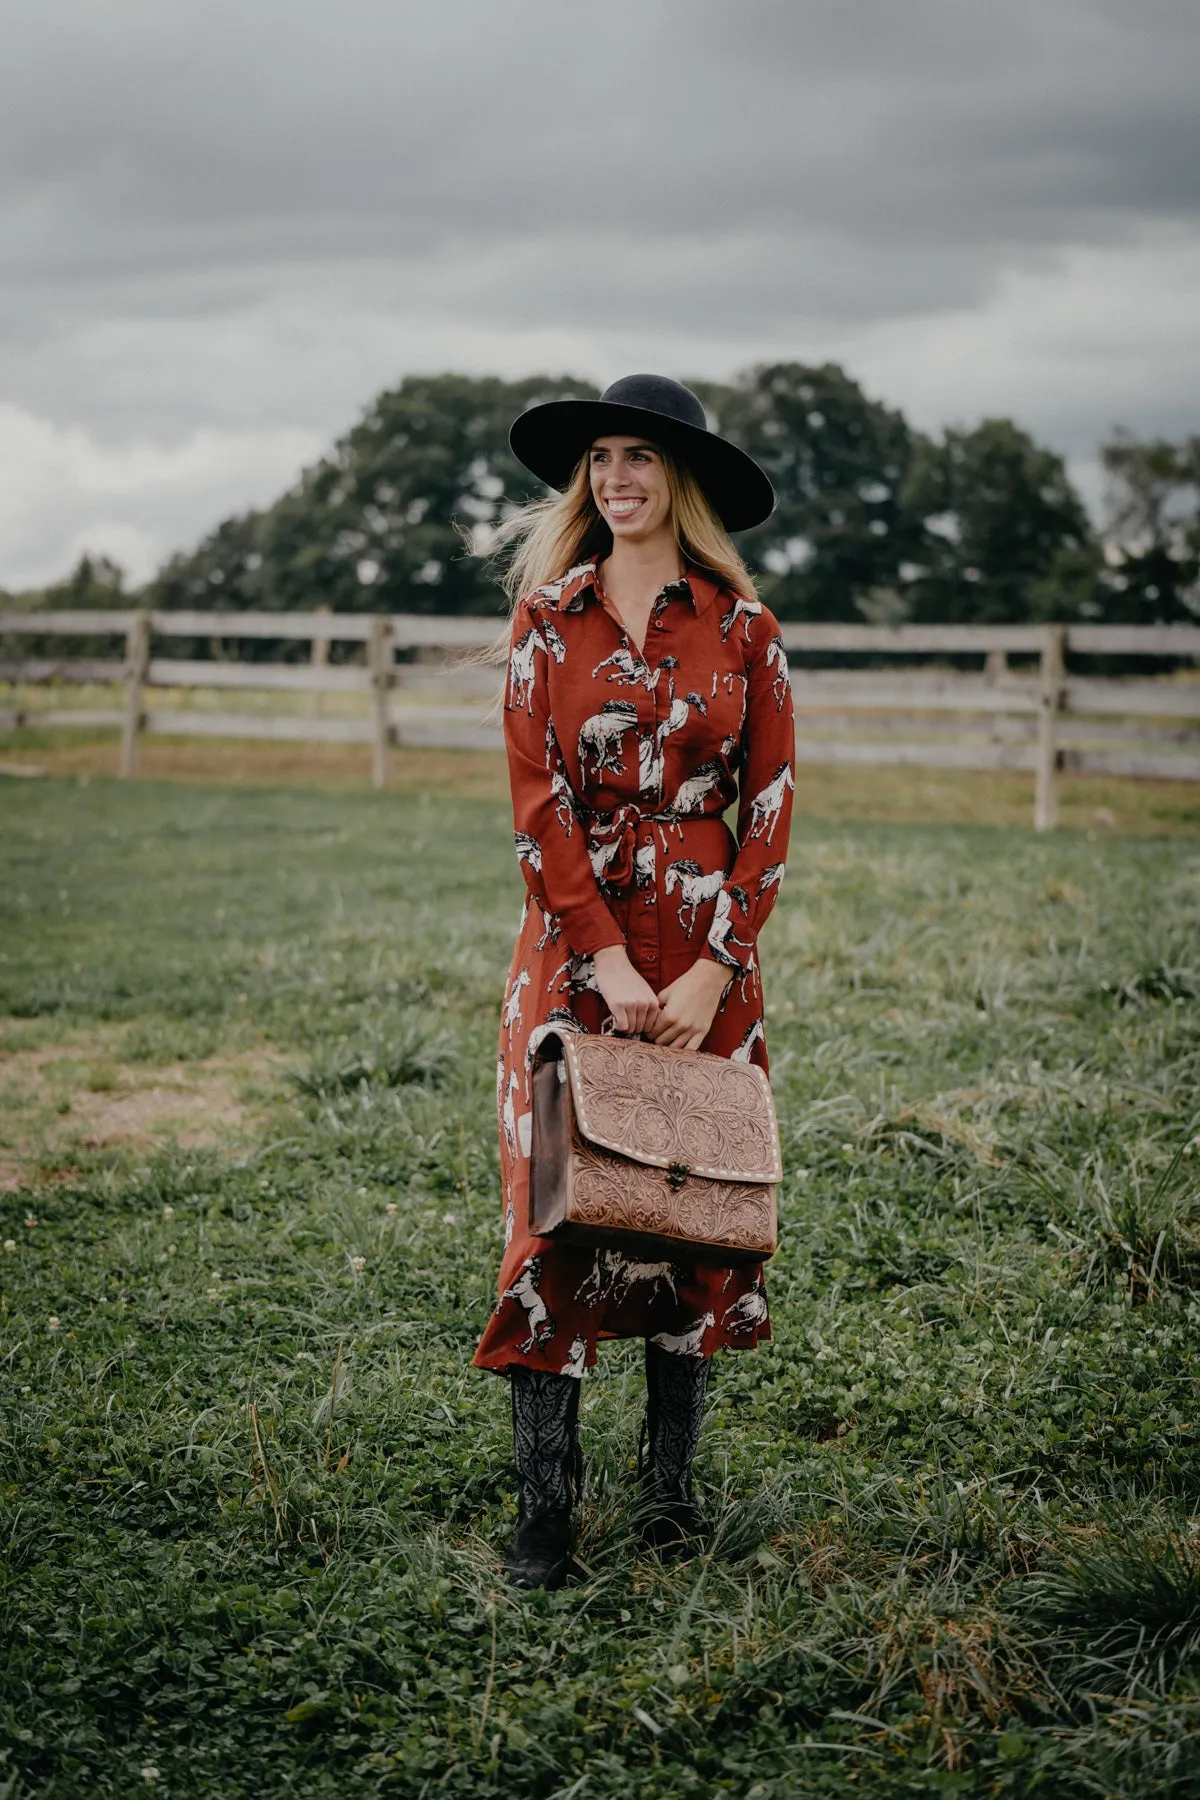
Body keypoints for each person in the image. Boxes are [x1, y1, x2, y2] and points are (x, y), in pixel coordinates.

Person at [472, 374, 795, 1589]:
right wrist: (602, 957)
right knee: (558, 1212)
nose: (616, 477)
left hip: (708, 961)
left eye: (640, 458)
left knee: (690, 1210)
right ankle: (544, 1520)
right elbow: (536, 803)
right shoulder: (545, 625)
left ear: (680, 481)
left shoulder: (746, 631)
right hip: (574, 955)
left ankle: (669, 1498)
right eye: (600, 458)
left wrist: (718, 969)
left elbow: (767, 812)